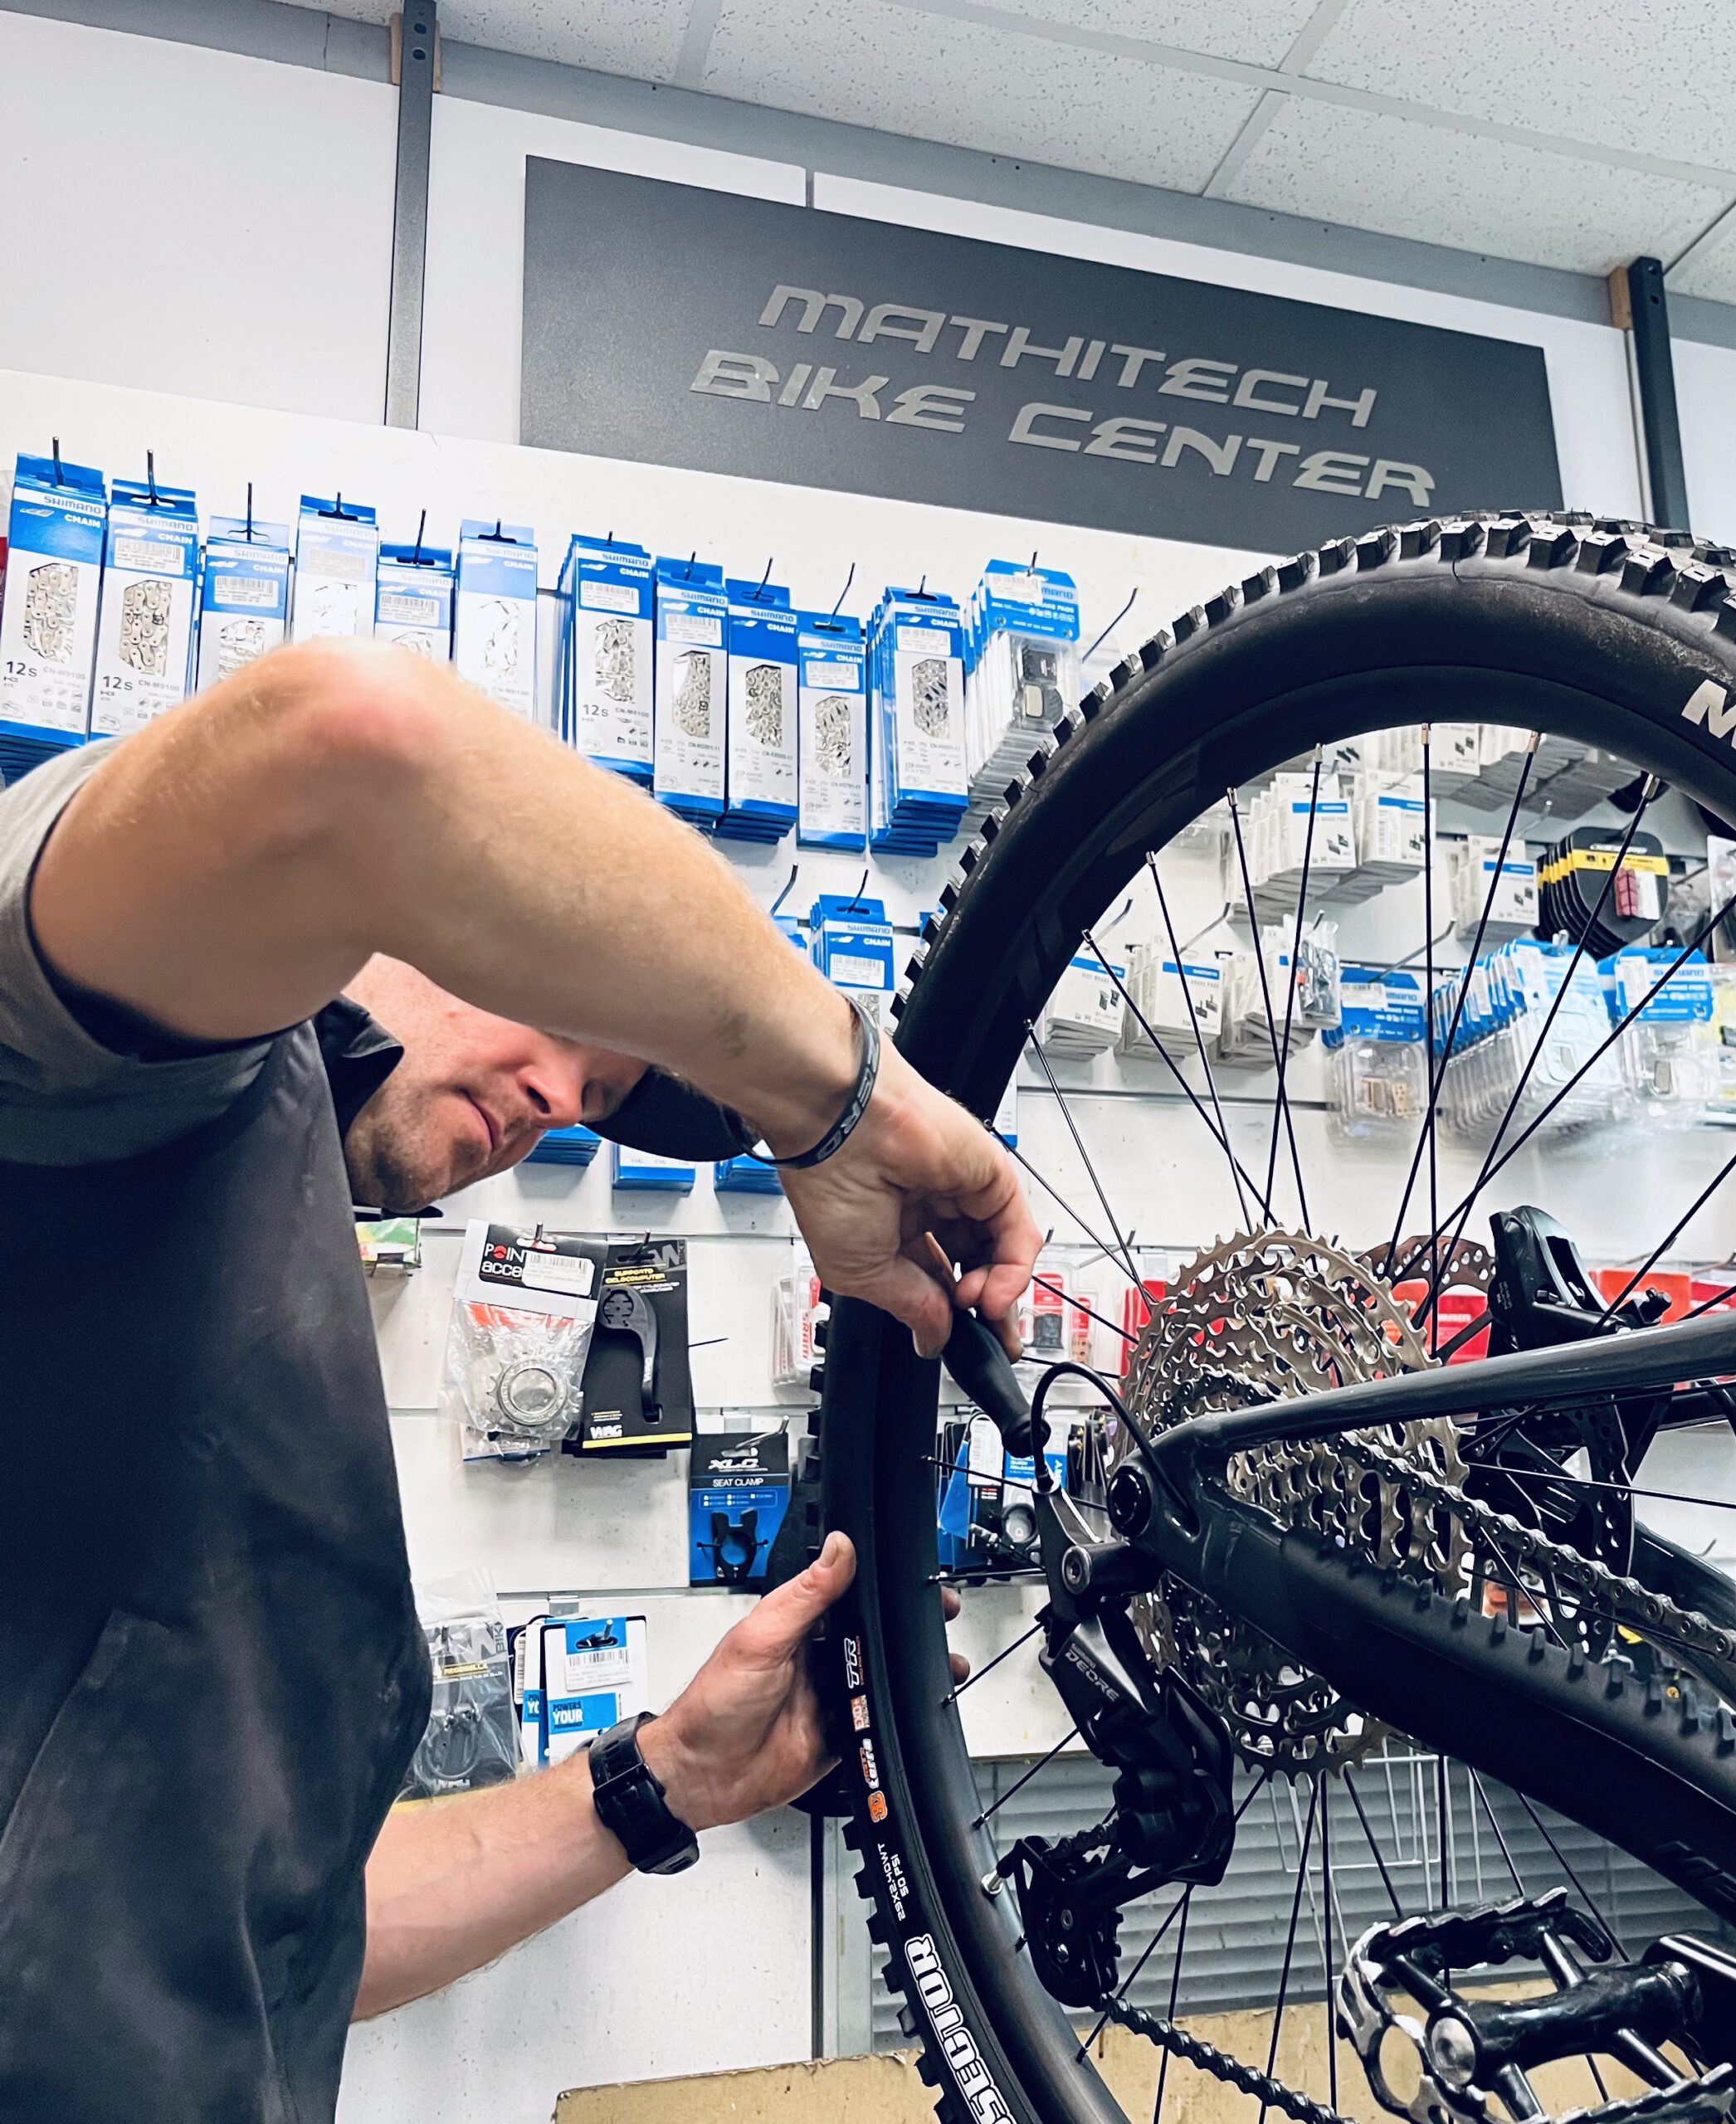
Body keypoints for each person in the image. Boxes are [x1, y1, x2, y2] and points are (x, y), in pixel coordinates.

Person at [0, 637, 1041, 2123]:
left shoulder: (257, 1241)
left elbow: (269, 1929)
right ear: (416, 914)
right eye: (551, 1021)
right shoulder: (99, 1063)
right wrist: (836, 1096)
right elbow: (350, 749)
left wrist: (664, 1779)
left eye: (599, 1095)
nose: (559, 1098)